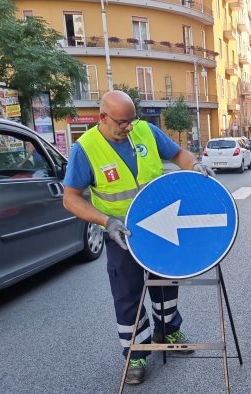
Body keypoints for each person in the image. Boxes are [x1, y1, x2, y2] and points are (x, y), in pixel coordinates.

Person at [62, 90, 214, 385]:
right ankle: (136, 353)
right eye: (122, 122)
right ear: (102, 117)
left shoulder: (145, 131)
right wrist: (107, 222)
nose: (129, 127)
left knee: (165, 283)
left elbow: (179, 153)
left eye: (132, 120)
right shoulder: (85, 149)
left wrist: (193, 165)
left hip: (161, 226)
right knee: (128, 293)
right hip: (123, 233)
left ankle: (167, 331)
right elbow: (70, 198)